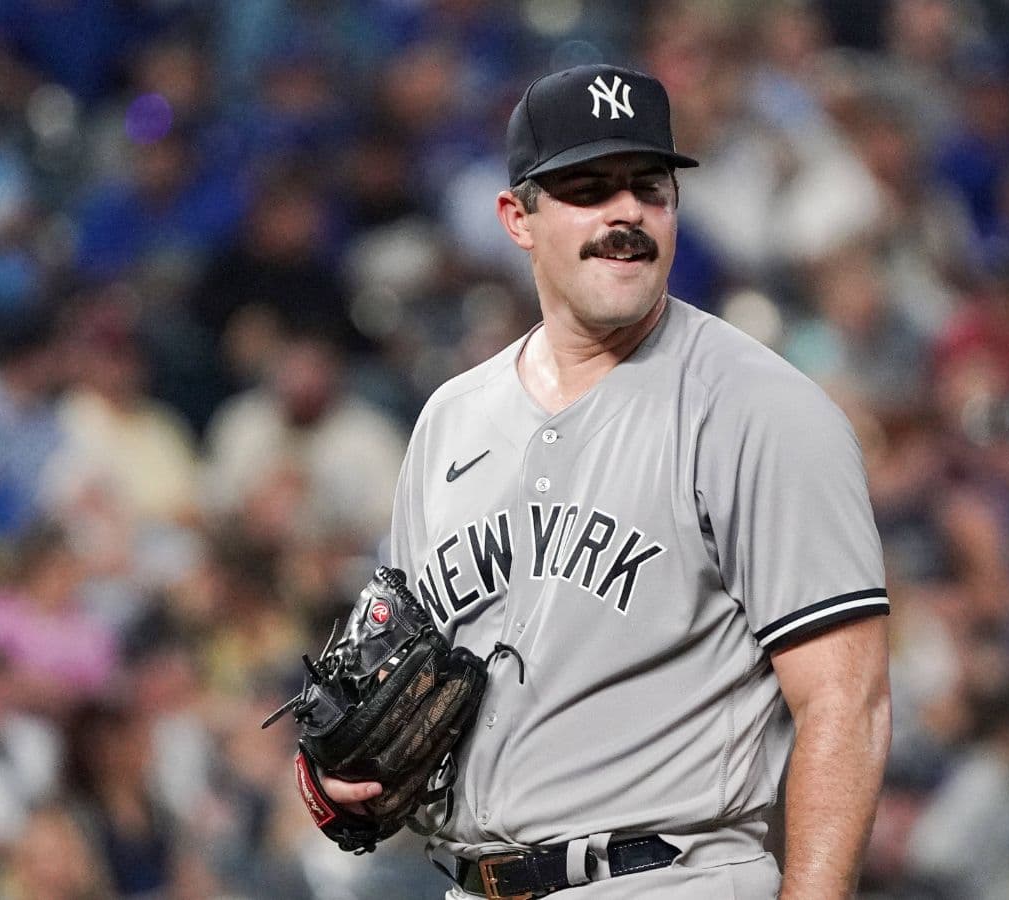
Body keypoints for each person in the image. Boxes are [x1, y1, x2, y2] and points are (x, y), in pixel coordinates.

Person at [318, 63, 892, 899]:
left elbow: (849, 703)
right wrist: (355, 775)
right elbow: (407, 672)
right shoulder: (451, 418)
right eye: (588, 190)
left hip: (669, 876)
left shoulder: (760, 410)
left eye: (647, 188)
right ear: (518, 217)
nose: (625, 214)